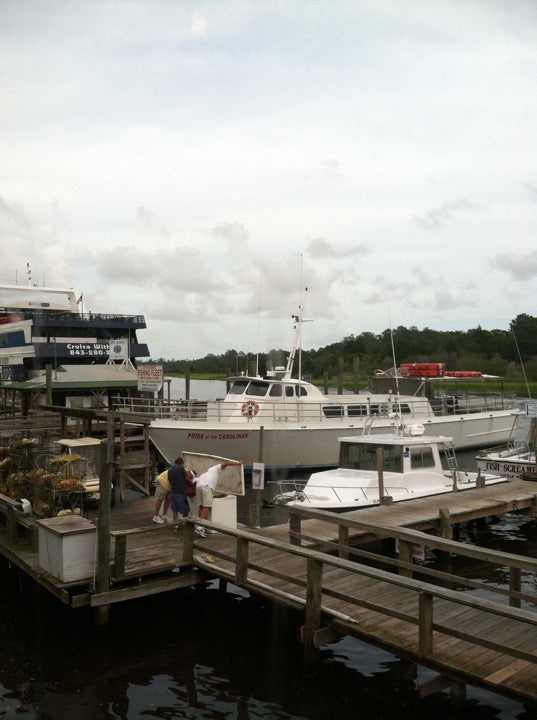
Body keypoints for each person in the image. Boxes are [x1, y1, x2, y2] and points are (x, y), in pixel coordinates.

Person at [193, 460, 243, 537]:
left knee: (201, 506)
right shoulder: (216, 468)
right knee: (207, 506)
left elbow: (193, 481)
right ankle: (200, 528)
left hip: (199, 486)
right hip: (206, 486)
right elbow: (226, 464)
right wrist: (238, 463)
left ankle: (199, 525)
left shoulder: (205, 473)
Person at [168, 456, 190, 523]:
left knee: (175, 510)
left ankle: (176, 524)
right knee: (185, 509)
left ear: (175, 463)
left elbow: (169, 480)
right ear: (182, 463)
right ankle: (185, 522)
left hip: (173, 492)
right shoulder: (181, 468)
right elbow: (187, 479)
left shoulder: (170, 470)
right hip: (181, 492)